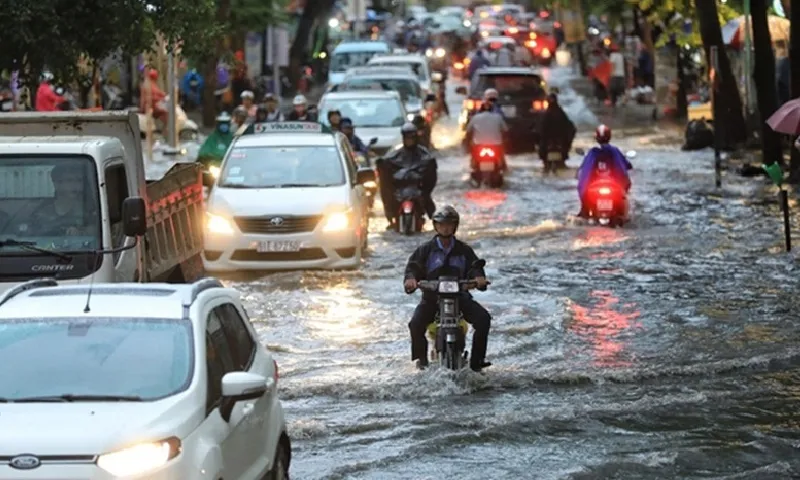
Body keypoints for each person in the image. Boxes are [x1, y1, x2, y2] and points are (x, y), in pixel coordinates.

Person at [404, 206, 492, 371]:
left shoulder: (464, 250)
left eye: (449, 224)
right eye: (441, 224)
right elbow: (413, 268)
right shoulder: (425, 250)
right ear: (435, 226)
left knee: (484, 319)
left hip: (460, 297)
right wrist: (411, 280)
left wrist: (479, 278)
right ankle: (422, 361)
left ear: (455, 226)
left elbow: (475, 267)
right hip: (431, 298)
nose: (445, 227)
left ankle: (477, 361)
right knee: (415, 324)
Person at [377, 123, 437, 228]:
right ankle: (391, 217)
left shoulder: (424, 155)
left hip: (417, 190)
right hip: (399, 191)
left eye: (411, 138)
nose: (409, 141)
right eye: (407, 138)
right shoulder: (395, 155)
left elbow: (431, 177)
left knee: (429, 204)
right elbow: (386, 171)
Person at [576, 124, 632, 217]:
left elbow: (584, 170)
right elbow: (624, 166)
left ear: (597, 137)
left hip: (596, 187)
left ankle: (585, 212)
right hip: (613, 186)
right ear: (609, 136)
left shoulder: (593, 153)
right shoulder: (614, 151)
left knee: (584, 211)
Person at [28, 163, 96, 236]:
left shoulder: (89, 210)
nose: (75, 185)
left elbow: (96, 233)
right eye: (69, 180)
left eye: (79, 180)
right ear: (57, 184)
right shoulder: (41, 213)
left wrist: (81, 233)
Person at [465, 101, 508, 174]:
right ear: (492, 109)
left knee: (473, 161)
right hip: (496, 145)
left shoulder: (475, 117)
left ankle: (474, 166)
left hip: (478, 145)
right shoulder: (498, 117)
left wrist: (468, 141)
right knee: (501, 160)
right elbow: (505, 130)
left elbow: (468, 130)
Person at [537, 92, 576, 161]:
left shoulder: (556, 113)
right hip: (551, 145)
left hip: (558, 143)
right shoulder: (557, 113)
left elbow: (570, 128)